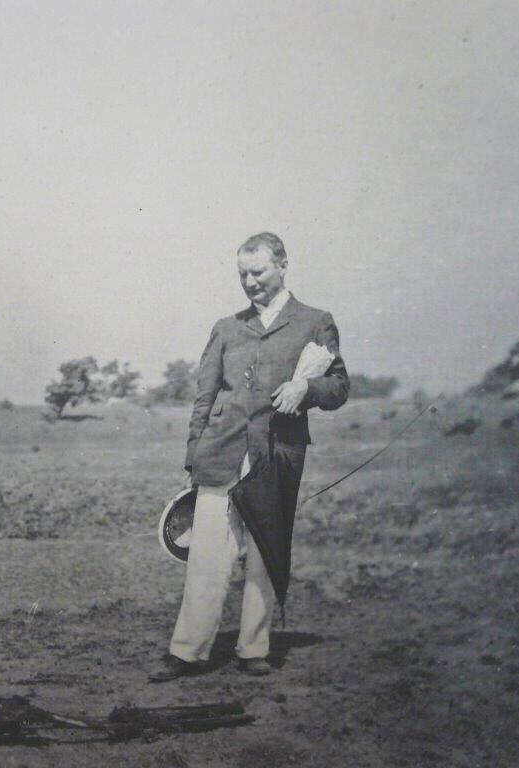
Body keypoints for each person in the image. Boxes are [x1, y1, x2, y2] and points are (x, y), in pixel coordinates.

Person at [150, 232, 349, 682]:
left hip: (276, 454)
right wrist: (195, 458)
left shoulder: (315, 323)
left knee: (264, 551)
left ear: (283, 265)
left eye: (257, 272)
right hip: (220, 452)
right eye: (242, 274)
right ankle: (187, 652)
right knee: (207, 553)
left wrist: (306, 388)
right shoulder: (226, 328)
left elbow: (339, 387)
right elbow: (204, 398)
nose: (249, 282)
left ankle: (253, 648)